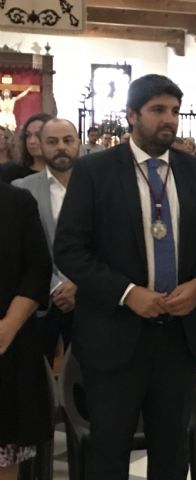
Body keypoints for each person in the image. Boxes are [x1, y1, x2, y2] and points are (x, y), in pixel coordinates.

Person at [54, 74, 196, 480]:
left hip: (177, 337)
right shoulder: (94, 171)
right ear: (131, 114)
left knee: (172, 452)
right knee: (110, 450)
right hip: (114, 335)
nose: (168, 120)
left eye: (173, 111)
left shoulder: (195, 173)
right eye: (157, 111)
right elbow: (69, 249)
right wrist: (127, 292)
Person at [12, 118, 81, 365]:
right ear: (41, 146)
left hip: (87, 296)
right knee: (36, 372)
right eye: (52, 141)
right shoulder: (22, 189)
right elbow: (22, 250)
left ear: (78, 143)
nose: (61, 146)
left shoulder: (96, 188)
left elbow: (105, 242)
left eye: (67, 140)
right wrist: (55, 286)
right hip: (41, 299)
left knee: (88, 375)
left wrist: (77, 284)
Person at [0, 181, 52, 480]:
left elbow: (37, 269)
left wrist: (9, 326)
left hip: (7, 344)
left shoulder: (16, 202)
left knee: (4, 452)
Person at [0, 112, 53, 184]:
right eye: (28, 135)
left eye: (38, 135)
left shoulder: (63, 172)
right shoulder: (8, 171)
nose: (32, 141)